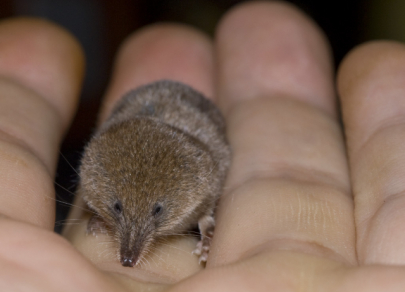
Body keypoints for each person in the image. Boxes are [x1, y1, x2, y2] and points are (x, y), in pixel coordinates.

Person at [1, 1, 405, 290]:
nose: (129, 253)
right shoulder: (103, 162)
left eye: (156, 213)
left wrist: (206, 224)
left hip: (188, 124)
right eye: (119, 210)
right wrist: (103, 208)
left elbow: (209, 177)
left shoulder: (199, 173)